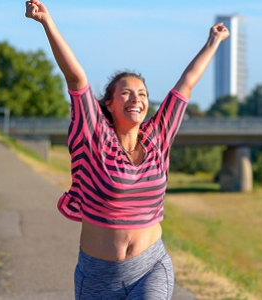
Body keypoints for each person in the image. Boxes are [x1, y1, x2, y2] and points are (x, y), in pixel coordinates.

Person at [24, 0, 229, 299]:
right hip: (98, 275)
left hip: (151, 268)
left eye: (143, 94)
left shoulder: (157, 137)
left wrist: (213, 42)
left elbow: (185, 85)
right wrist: (46, 21)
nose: (137, 99)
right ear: (108, 103)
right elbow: (76, 79)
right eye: (126, 93)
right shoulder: (93, 137)